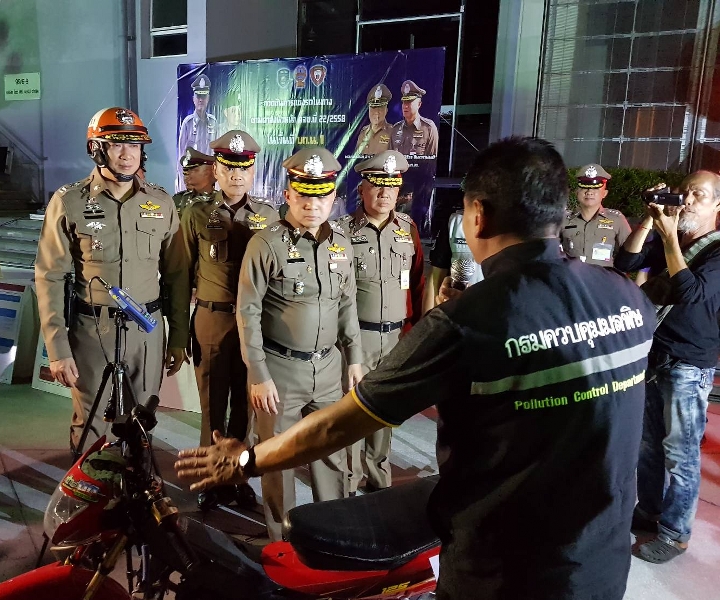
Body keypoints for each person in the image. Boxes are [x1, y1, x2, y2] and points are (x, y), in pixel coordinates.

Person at [176, 136, 657, 600]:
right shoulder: (628, 300)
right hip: (601, 564)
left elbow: (340, 425)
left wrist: (246, 460)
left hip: (503, 571)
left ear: (478, 215)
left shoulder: (468, 322)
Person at [35, 107, 190, 455]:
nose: (127, 154)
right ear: (96, 149)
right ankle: (86, 488)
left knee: (142, 421)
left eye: (134, 145)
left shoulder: (161, 202)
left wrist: (179, 337)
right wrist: (58, 349)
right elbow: (49, 277)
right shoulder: (69, 202)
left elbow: (177, 276)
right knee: (90, 423)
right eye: (117, 144)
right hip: (93, 330)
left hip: (146, 330)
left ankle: (135, 488)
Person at [235, 146, 363, 541]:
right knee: (277, 459)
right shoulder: (266, 243)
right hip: (280, 372)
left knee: (331, 452)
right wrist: (258, 375)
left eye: (321, 195)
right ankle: (283, 544)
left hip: (327, 369)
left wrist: (355, 358)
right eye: (304, 195)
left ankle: (332, 536)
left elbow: (347, 304)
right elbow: (247, 312)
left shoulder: (342, 243)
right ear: (288, 194)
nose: (312, 204)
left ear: (333, 197)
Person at [615, 171, 720, 564]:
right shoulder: (669, 239)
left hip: (688, 364)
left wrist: (671, 236)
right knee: (649, 445)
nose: (688, 199)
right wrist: (649, 217)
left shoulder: (715, 251)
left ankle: (675, 534)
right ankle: (650, 511)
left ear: (717, 205)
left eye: (699, 194)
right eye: (685, 191)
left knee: (681, 453)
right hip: (654, 354)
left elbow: (689, 291)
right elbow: (625, 261)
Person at [180, 130, 278, 511]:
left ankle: (238, 477)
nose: (237, 175)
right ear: (216, 171)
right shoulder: (196, 213)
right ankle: (211, 477)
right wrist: (179, 332)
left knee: (245, 408)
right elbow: (181, 274)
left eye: (244, 168)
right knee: (212, 407)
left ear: (253, 172)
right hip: (212, 320)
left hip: (253, 327)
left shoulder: (269, 216)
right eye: (229, 168)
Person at [338, 150, 424, 493]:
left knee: (383, 410)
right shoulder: (342, 232)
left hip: (395, 339)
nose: (385, 193)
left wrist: (415, 334)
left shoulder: (407, 230)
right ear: (362, 188)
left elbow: (417, 283)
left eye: (392, 186)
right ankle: (347, 482)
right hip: (356, 338)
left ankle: (378, 478)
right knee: (351, 410)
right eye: (377, 185)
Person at [561, 164, 631, 266]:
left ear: (605, 193)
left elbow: (630, 252)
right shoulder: (563, 219)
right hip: (571, 275)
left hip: (603, 275)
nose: (589, 192)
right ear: (576, 192)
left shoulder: (617, 219)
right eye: (585, 188)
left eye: (595, 189)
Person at [425, 208, 484, 313]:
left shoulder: (513, 226)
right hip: (458, 314)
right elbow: (435, 275)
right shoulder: (455, 222)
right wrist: (429, 317)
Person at [390, 80, 439, 157]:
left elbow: (431, 161)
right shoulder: (395, 129)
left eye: (409, 102)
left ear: (419, 104)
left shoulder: (429, 128)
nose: (405, 106)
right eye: (404, 102)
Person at [178, 75, 217, 161]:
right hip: (193, 168)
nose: (201, 100)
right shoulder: (187, 123)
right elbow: (181, 155)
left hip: (209, 168)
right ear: (193, 99)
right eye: (198, 96)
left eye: (203, 96)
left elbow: (217, 152)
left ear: (208, 98)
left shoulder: (213, 122)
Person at [173, 147, 216, 216]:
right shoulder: (178, 199)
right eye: (185, 174)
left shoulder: (219, 200)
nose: (187, 177)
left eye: (194, 171)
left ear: (209, 173)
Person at [355, 83, 394, 157]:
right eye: (374, 107)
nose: (376, 112)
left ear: (386, 110)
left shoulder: (393, 132)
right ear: (369, 110)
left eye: (380, 108)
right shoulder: (363, 133)